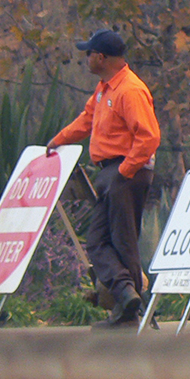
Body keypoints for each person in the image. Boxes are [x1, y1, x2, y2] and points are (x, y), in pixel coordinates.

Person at [49, 28, 161, 330]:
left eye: (89, 53)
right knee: (98, 240)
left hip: (126, 170)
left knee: (123, 241)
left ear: (101, 57)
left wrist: (125, 171)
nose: (86, 59)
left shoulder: (129, 90)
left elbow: (149, 136)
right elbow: (86, 120)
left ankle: (132, 312)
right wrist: (58, 140)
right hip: (111, 171)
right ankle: (126, 294)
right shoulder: (104, 89)